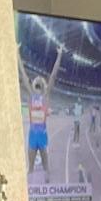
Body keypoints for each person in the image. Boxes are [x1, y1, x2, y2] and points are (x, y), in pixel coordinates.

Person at [18, 41, 64, 178]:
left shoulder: (45, 96)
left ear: (43, 85)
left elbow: (53, 75)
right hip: (33, 134)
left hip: (42, 135)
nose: (38, 80)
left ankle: (47, 180)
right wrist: (17, 54)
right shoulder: (31, 94)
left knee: (46, 167)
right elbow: (23, 74)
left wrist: (59, 55)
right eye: (36, 80)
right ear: (33, 84)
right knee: (30, 168)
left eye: (40, 80)